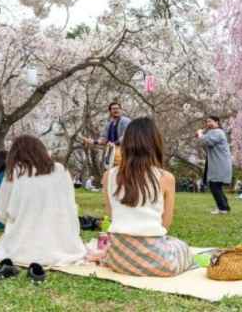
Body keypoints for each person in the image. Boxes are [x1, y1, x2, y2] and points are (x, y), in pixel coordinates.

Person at [101, 117, 193, 277]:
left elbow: (111, 215)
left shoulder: (108, 176)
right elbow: (166, 223)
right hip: (160, 263)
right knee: (182, 246)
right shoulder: (166, 178)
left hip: (118, 258)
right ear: (155, 143)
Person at [0, 134, 86, 266]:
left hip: (23, 246)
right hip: (64, 243)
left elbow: (0, 212)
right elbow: (71, 207)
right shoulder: (61, 170)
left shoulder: (15, 172)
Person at [197, 116, 232, 214]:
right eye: (207, 121)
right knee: (216, 186)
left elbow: (206, 141)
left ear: (217, 122)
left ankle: (223, 208)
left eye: (210, 121)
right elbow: (203, 142)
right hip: (215, 163)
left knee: (214, 185)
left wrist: (200, 134)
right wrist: (201, 135)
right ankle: (224, 207)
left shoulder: (218, 132)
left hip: (220, 163)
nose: (208, 123)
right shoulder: (212, 132)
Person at [83, 102, 132, 169]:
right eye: (114, 109)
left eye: (118, 108)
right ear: (110, 111)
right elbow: (104, 139)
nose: (116, 110)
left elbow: (127, 135)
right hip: (112, 153)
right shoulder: (109, 124)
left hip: (124, 152)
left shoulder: (125, 121)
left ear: (120, 110)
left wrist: (114, 143)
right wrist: (94, 142)